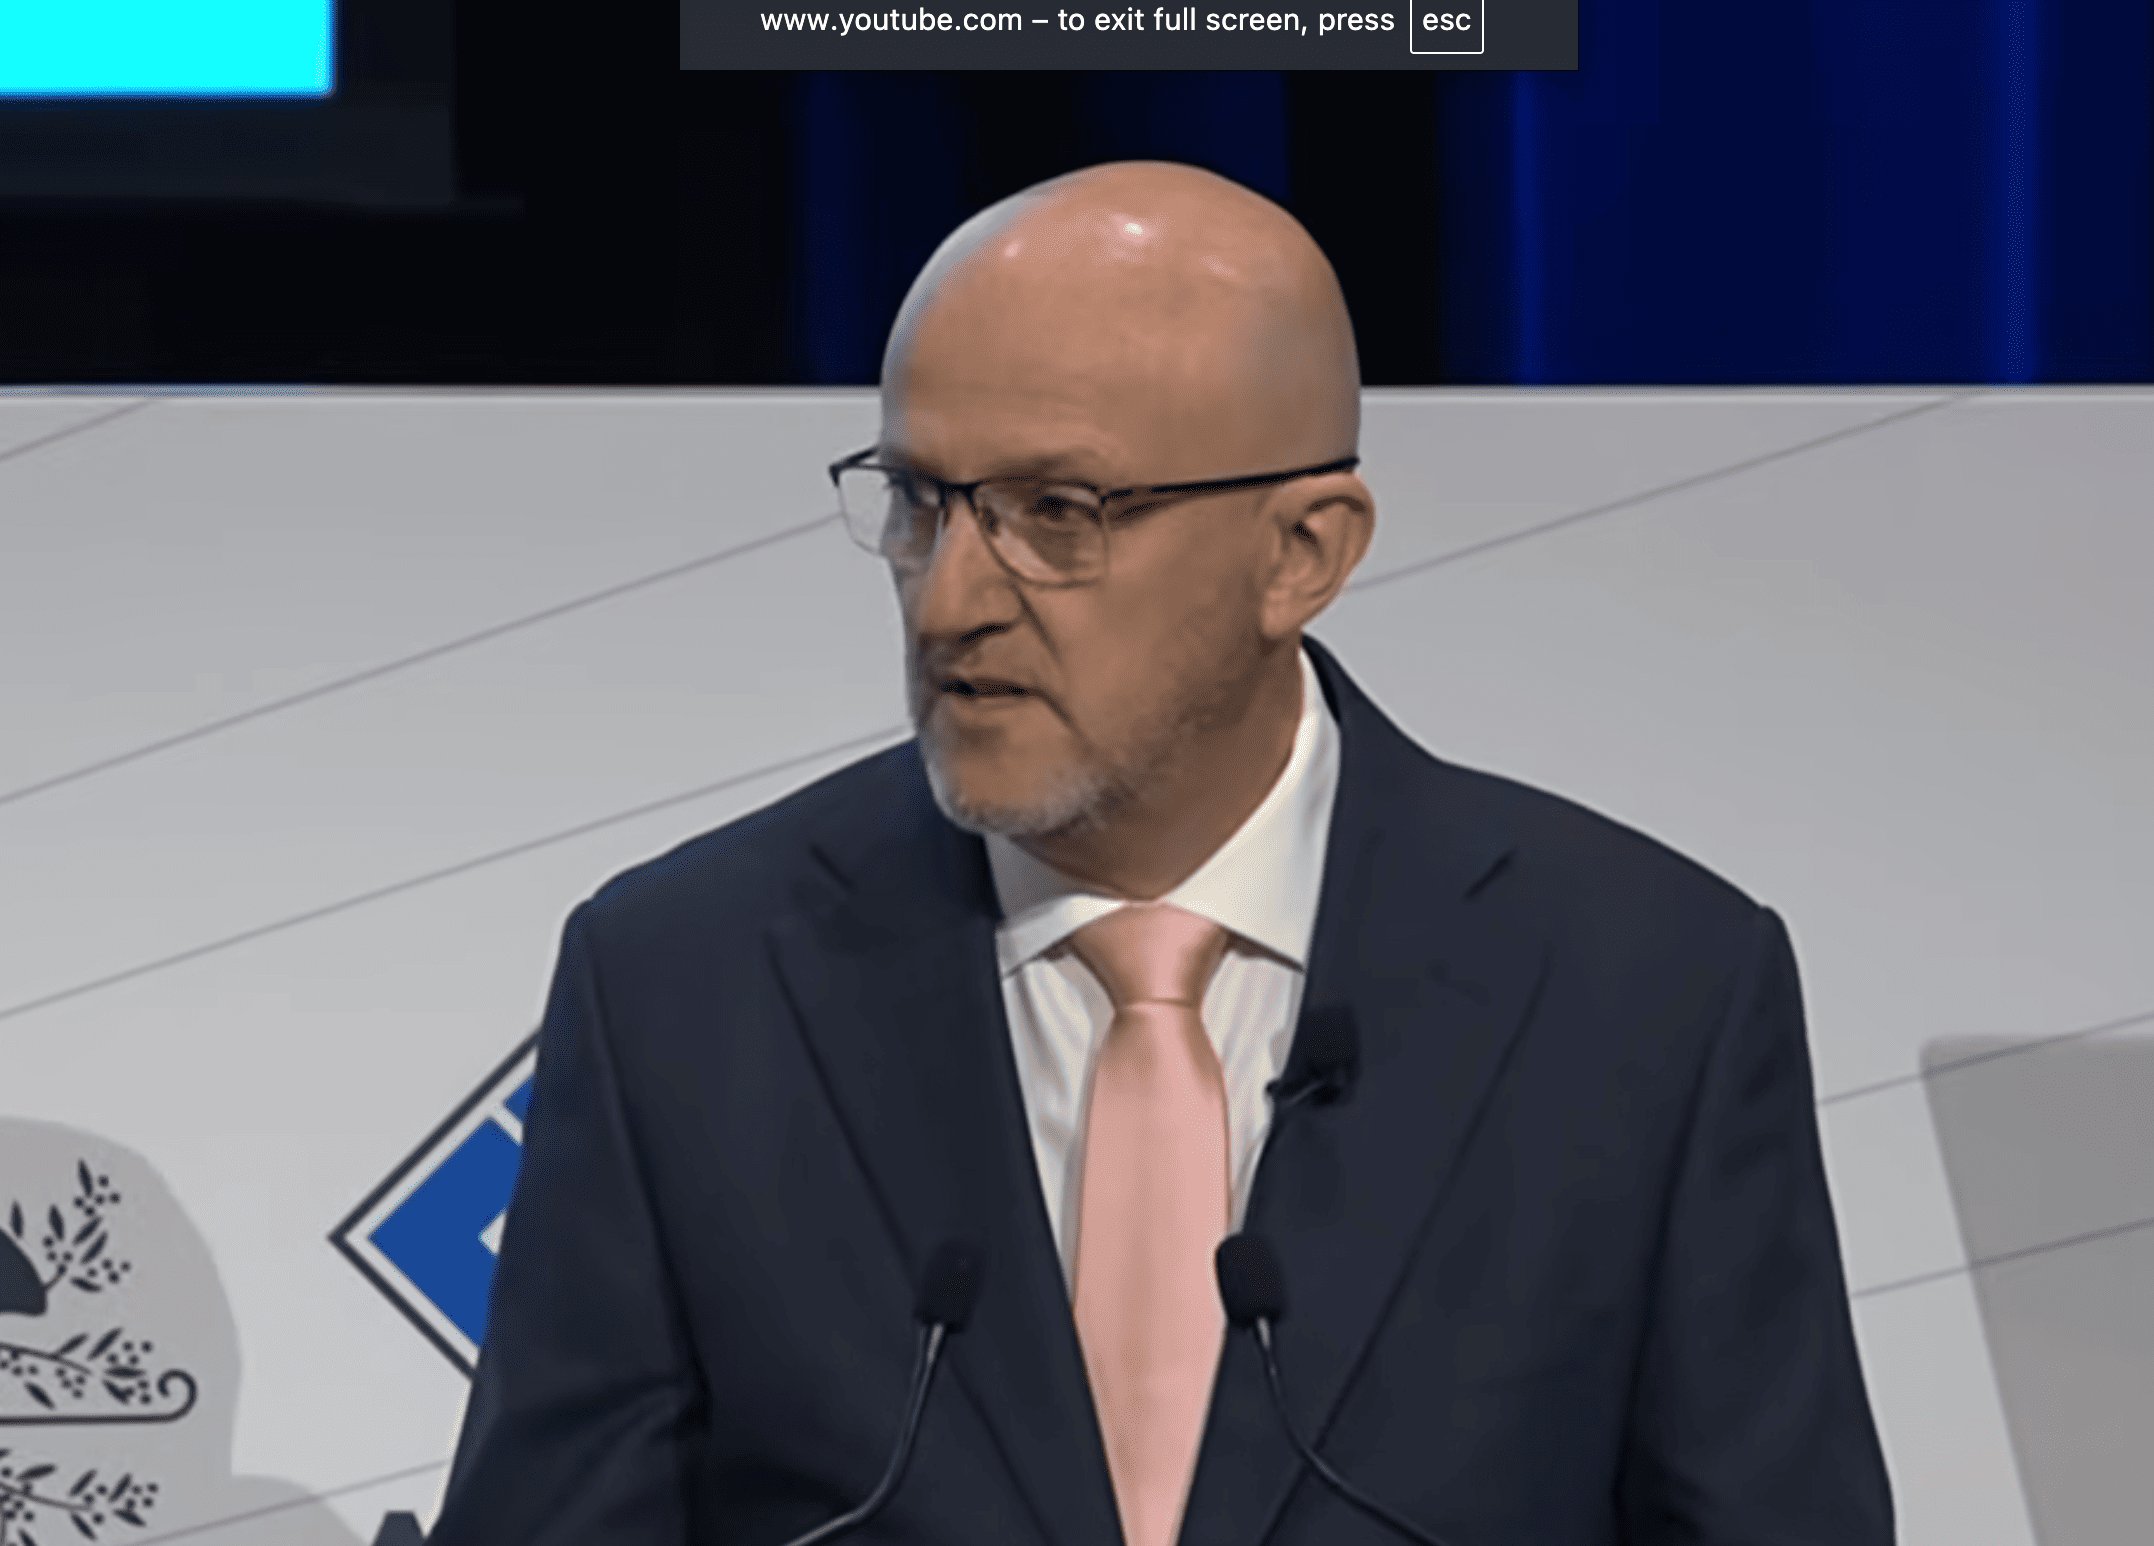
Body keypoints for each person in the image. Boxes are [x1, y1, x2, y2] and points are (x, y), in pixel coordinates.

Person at [426, 161, 1894, 1546]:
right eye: (919, 502)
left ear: (1302, 553)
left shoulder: (1648, 990)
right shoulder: (682, 983)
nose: (949, 600)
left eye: (1056, 513)